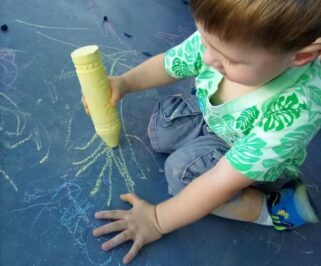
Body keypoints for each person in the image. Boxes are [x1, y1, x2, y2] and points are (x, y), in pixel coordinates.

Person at [82, 0, 321, 264]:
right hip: (220, 119)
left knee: (180, 174)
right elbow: (168, 64)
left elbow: (220, 180)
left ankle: (270, 209)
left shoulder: (294, 112)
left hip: (250, 163)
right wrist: (125, 82)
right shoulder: (226, 36)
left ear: (300, 57)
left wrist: (157, 220)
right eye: (206, 43)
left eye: (229, 60)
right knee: (163, 127)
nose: (206, 58)